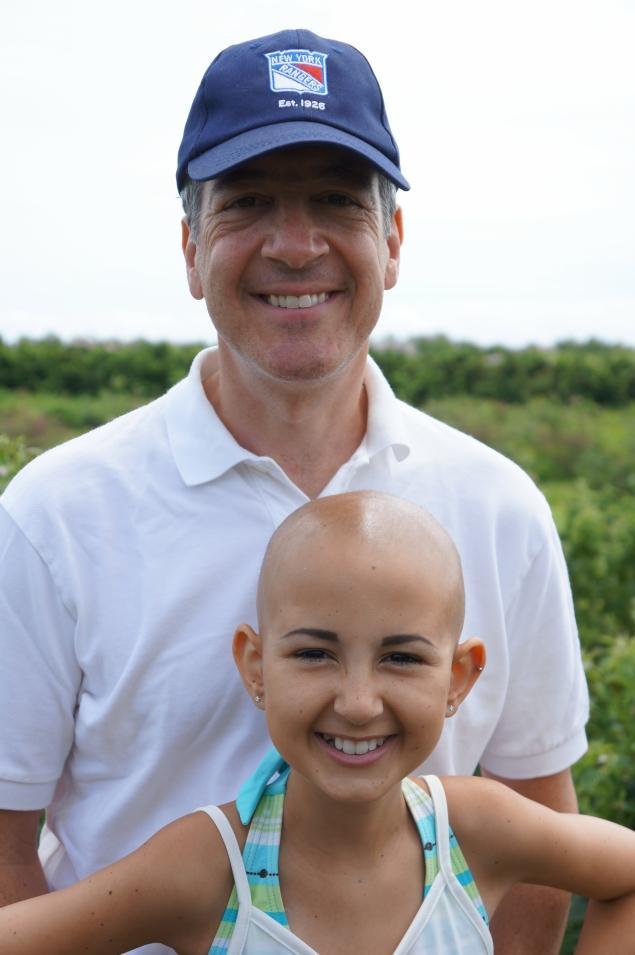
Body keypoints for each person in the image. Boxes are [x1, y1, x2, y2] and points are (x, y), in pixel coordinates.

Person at [0, 28, 588, 955]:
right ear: (190, 248)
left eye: (335, 201)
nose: (295, 244)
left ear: (390, 243)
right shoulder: (57, 517)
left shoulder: (498, 509)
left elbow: (540, 816)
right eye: (247, 203)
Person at [0, 492, 632, 955]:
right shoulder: (208, 867)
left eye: (402, 658)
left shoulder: (476, 831)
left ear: (459, 678)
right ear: (256, 667)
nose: (358, 703)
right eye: (313, 654)